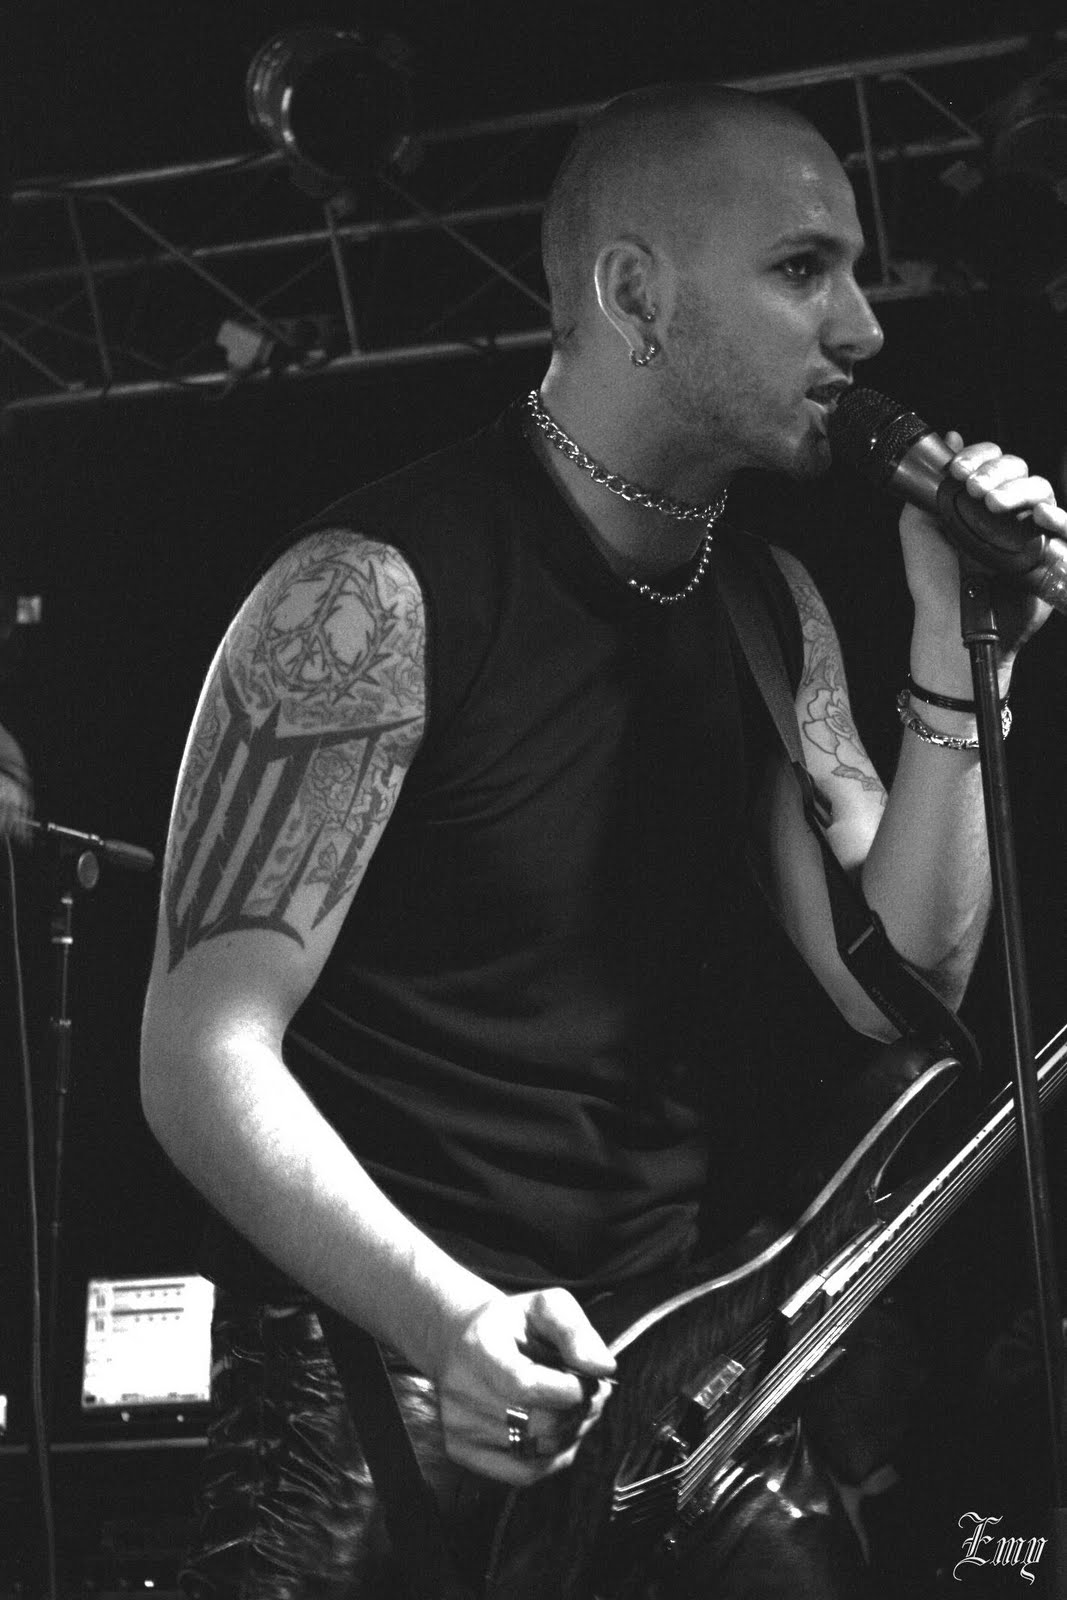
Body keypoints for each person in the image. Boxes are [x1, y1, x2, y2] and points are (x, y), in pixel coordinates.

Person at [140, 82, 1064, 1598]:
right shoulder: (368, 594)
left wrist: (965, 664)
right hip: (384, 1387)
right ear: (636, 293)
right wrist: (449, 1319)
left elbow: (898, 984)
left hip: (658, 1373)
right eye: (804, 269)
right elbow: (200, 1053)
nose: (863, 329)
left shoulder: (767, 605)